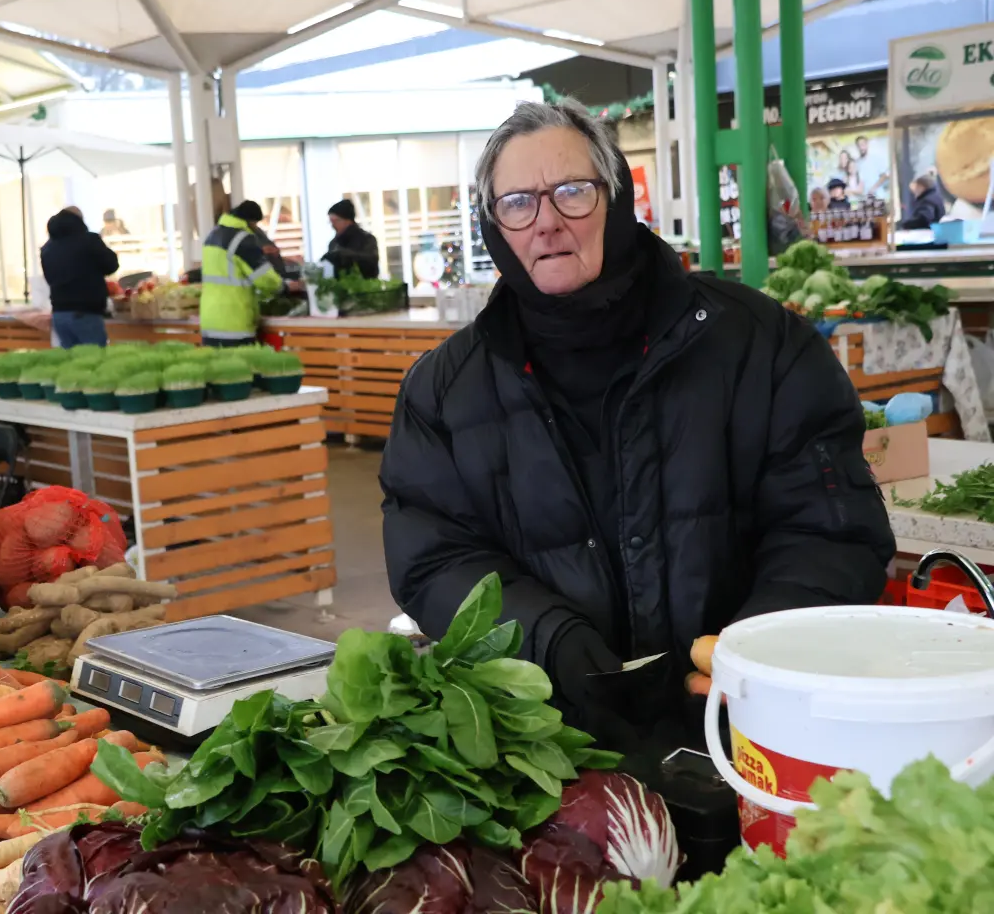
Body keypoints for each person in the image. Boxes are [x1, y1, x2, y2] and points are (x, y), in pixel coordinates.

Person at [379, 100, 894, 755]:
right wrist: (548, 639)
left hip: (753, 732)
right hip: (551, 745)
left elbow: (831, 529)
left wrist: (759, 648)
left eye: (572, 192)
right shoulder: (445, 392)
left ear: (616, 197)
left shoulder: (762, 345)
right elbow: (436, 557)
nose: (547, 223)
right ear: (492, 225)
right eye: (518, 203)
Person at [199, 209, 285, 347]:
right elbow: (266, 279)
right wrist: (284, 286)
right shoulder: (242, 239)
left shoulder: (212, 235)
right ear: (251, 222)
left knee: (216, 368)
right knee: (242, 368)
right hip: (234, 322)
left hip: (209, 321)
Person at [41, 208, 117, 348]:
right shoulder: (89, 240)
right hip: (86, 312)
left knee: (72, 364)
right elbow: (111, 265)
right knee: (94, 362)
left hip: (59, 313)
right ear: (79, 220)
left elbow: (49, 278)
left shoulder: (47, 248)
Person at [323, 199, 380, 279]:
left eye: (336, 221)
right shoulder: (334, 243)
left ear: (348, 221)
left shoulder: (367, 239)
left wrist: (344, 255)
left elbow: (371, 266)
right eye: (331, 222)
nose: (333, 225)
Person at [231, 200, 288, 277]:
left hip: (274, 273)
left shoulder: (257, 231)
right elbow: (247, 257)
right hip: (261, 278)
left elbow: (269, 245)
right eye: (254, 222)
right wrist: (262, 251)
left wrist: (273, 249)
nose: (255, 225)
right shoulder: (237, 235)